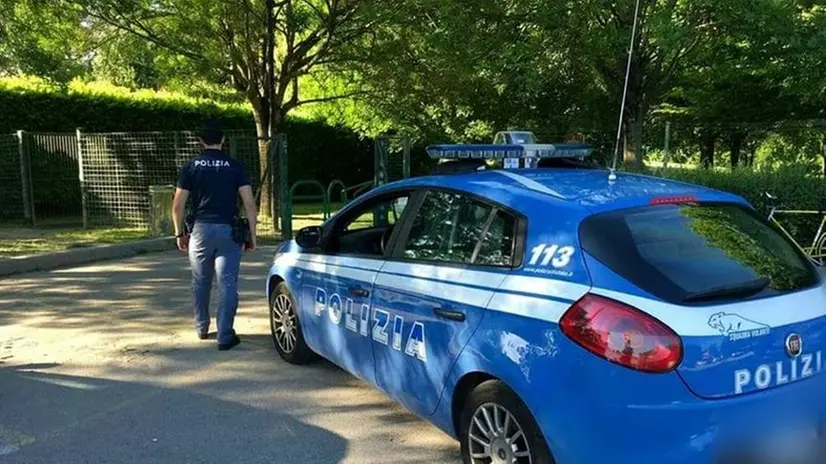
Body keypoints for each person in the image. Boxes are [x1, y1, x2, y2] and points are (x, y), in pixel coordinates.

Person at [172, 121, 257, 351]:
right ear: (222, 141)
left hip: (199, 230)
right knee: (227, 283)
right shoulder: (235, 166)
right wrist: (253, 234)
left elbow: (178, 204)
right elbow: (249, 203)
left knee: (200, 281)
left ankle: (201, 327)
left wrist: (179, 233)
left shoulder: (191, 167)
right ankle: (225, 335)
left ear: (201, 141)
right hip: (228, 231)